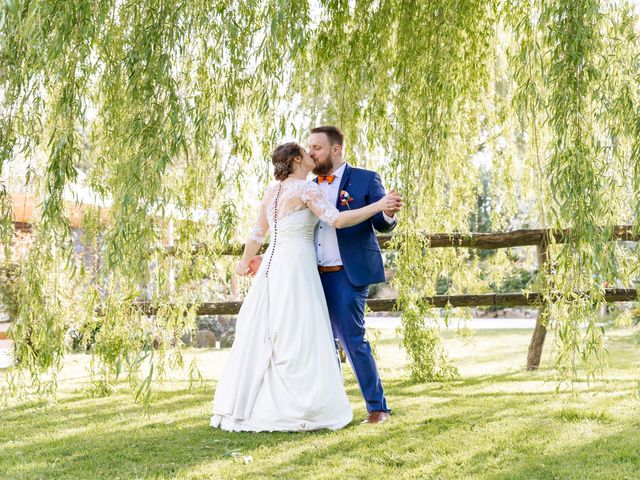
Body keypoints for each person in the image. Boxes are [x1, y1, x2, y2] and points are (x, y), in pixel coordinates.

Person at [210, 142, 402, 432]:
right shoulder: (305, 188)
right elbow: (336, 219)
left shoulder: (272, 191)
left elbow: (256, 234)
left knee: (277, 331)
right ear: (297, 159)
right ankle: (298, 404)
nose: (313, 155)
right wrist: (378, 205)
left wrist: (244, 263)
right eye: (308, 152)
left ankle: (264, 402)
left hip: (274, 267)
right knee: (299, 332)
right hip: (297, 266)